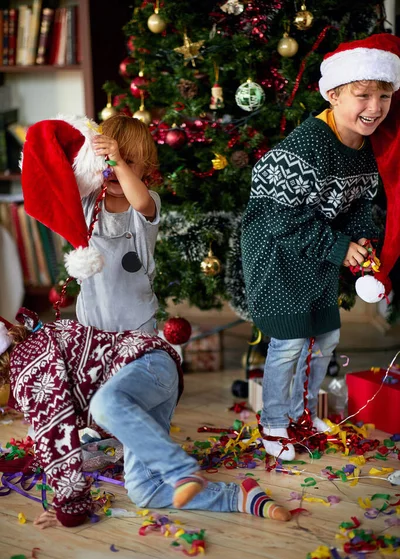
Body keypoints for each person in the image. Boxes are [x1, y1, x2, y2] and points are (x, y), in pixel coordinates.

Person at [241, 34, 400, 460]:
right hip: (278, 256)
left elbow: (362, 201)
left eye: (383, 96)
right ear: (333, 94)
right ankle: (273, 423)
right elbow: (278, 217)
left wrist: (361, 238)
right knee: (290, 343)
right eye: (363, 95)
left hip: (319, 258)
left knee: (326, 337)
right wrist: (339, 245)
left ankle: (303, 410)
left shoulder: (366, 147)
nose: (374, 107)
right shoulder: (306, 147)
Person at [0, 310, 291, 529]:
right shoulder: (35, 340)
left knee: (104, 404)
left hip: (145, 367)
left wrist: (69, 508)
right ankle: (240, 497)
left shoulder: (29, 372)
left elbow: (54, 439)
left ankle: (180, 471)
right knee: (144, 490)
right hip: (148, 384)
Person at [20, 114, 161, 333]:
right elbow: (58, 177)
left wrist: (117, 159)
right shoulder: (88, 199)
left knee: (135, 364)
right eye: (108, 160)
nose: (112, 168)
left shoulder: (147, 200)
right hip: (92, 315)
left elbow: (140, 202)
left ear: (147, 168)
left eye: (128, 161)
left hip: (138, 316)